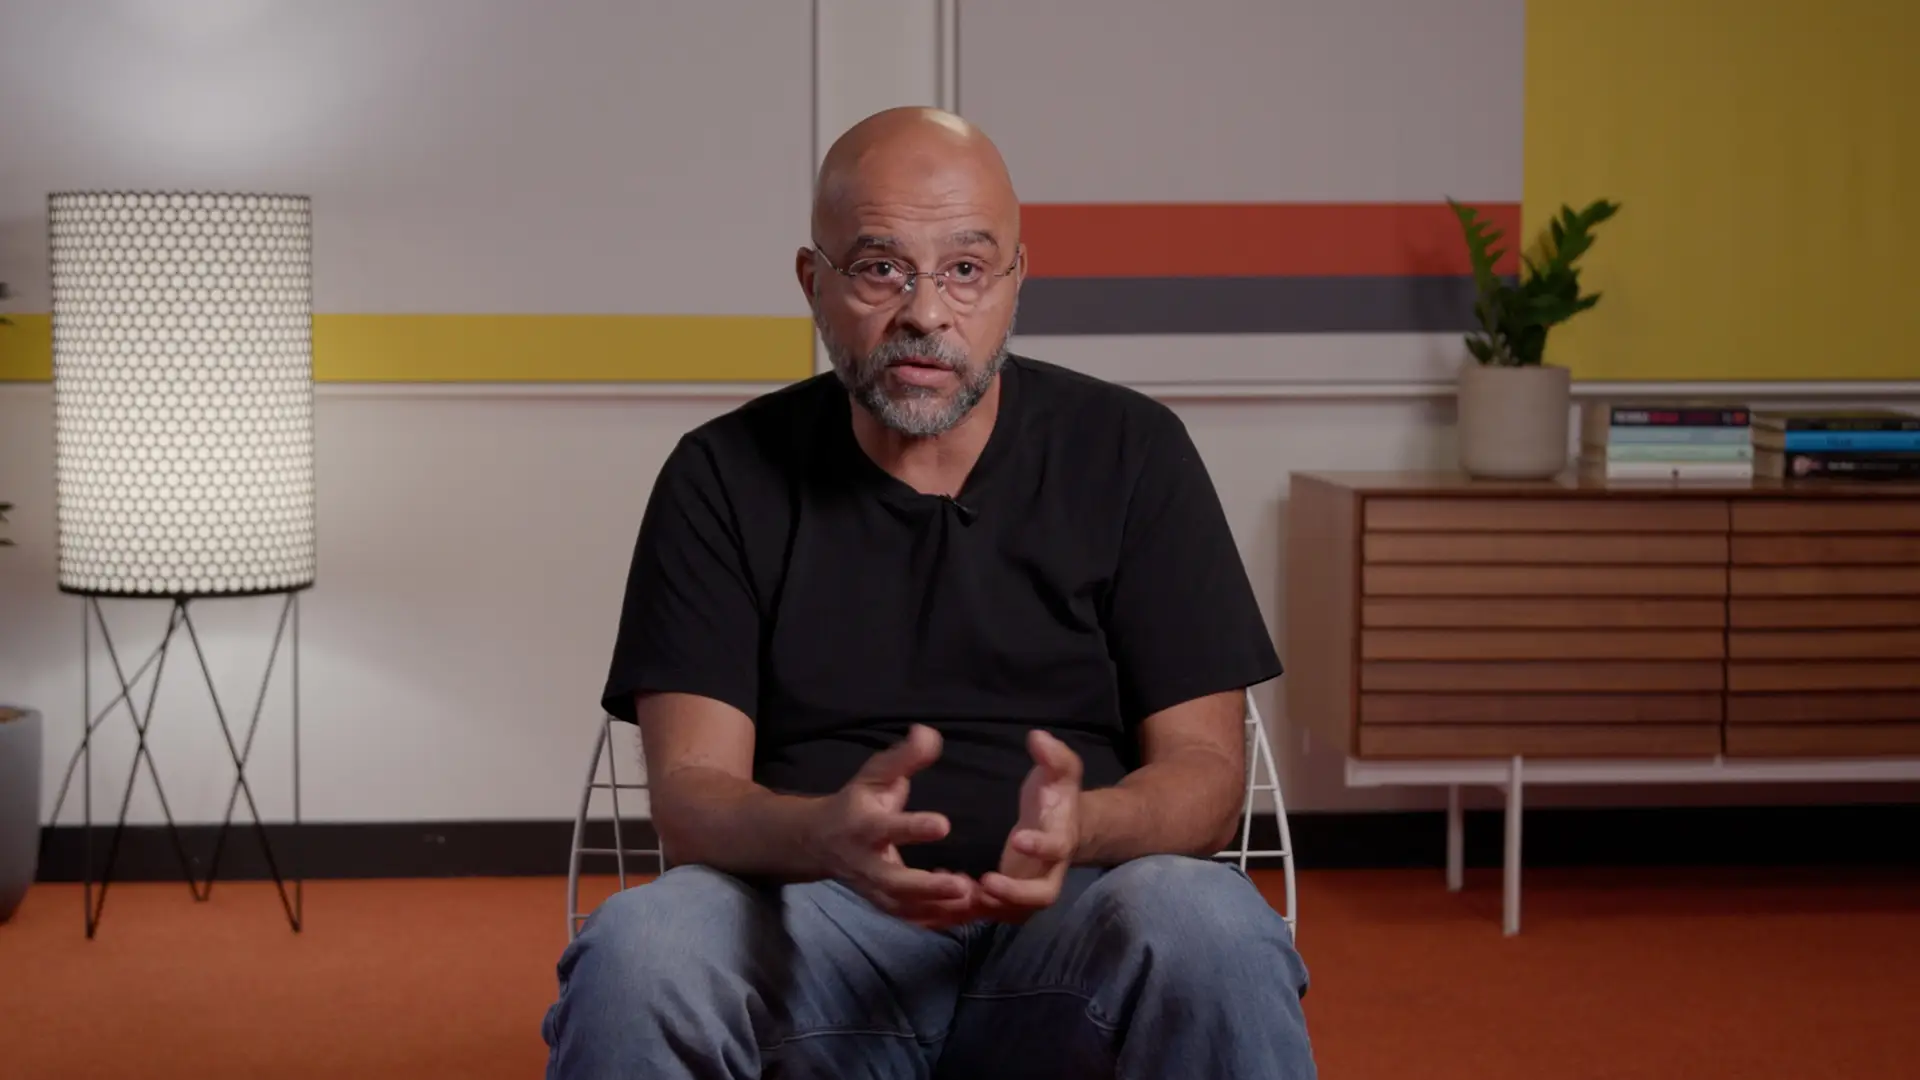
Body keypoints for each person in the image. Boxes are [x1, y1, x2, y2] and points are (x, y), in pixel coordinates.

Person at [542, 106, 1315, 1079]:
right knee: (641, 947)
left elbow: (1205, 775)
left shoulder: (1132, 453)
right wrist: (821, 832)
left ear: (1016, 278)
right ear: (812, 282)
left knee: (1213, 921)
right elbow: (693, 795)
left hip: (1071, 935)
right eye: (880, 267)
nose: (925, 312)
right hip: (808, 937)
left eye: (965, 269)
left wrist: (1086, 824)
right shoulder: (722, 475)